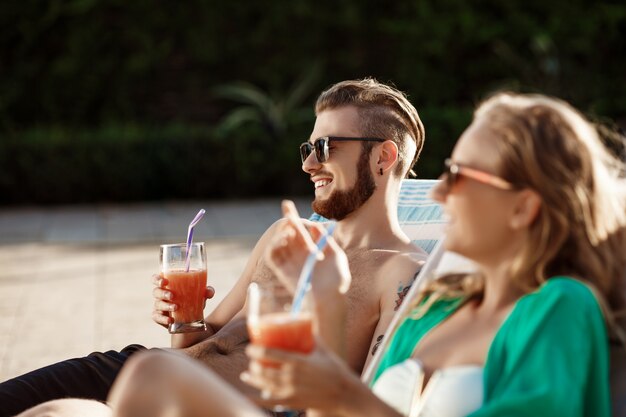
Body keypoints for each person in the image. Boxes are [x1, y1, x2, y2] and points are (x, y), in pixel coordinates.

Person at [81, 91, 625, 417]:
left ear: (523, 207)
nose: (435, 192)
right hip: (191, 372)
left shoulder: (558, 307)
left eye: (459, 176)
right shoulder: (435, 304)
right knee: (65, 407)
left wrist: (337, 381)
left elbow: (340, 396)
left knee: (151, 377)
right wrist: (327, 298)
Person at [0, 78, 428, 416]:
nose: (308, 163)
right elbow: (206, 340)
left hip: (220, 406)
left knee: (58, 414)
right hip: (143, 369)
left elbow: (373, 403)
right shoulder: (286, 236)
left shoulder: (402, 275)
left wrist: (325, 302)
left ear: (383, 158)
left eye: (324, 147)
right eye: (307, 147)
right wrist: (182, 320)